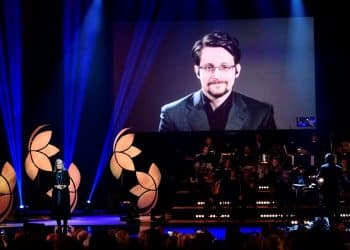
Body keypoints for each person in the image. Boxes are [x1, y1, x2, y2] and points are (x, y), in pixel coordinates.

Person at [158, 31, 276, 132]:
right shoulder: (172, 114)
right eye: (209, 67)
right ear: (197, 71)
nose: (216, 75)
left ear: (237, 70)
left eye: (225, 67)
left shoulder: (261, 113)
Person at [317, 153, 344, 223]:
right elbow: (342, 180)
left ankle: (329, 224)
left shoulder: (323, 167)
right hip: (336, 191)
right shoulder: (339, 168)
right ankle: (338, 225)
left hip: (326, 191)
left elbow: (319, 178)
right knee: (337, 208)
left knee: (328, 208)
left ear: (326, 159)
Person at [52, 158, 70, 235]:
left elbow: (68, 182)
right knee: (57, 209)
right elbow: (51, 182)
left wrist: (63, 186)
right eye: (57, 164)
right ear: (56, 165)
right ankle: (59, 226)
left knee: (65, 209)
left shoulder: (65, 172)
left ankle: (65, 226)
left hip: (64, 192)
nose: (59, 165)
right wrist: (56, 186)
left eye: (60, 164)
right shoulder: (53, 173)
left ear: (62, 165)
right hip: (56, 193)